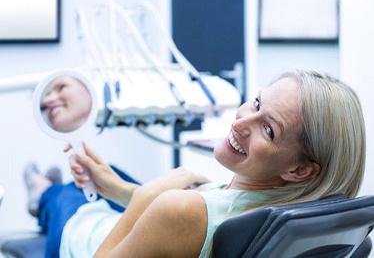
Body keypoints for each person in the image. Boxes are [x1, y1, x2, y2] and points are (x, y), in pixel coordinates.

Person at [26, 70, 366, 257]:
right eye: (257, 102)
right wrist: (126, 191)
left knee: (66, 197)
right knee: (113, 175)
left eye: (268, 129)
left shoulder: (181, 210)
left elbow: (171, 215)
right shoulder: (284, 213)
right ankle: (95, 186)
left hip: (83, 244)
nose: (239, 122)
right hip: (150, 229)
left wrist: (146, 197)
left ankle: (42, 191)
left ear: (300, 169)